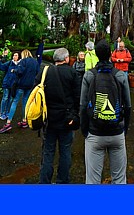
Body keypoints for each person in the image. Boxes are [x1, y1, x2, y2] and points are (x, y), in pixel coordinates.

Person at [81, 40, 131, 184]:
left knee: (92, 180)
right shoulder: (120, 75)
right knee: (120, 179)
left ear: (95, 54)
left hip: (95, 133)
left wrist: (85, 131)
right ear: (110, 54)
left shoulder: (89, 75)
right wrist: (124, 129)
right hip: (117, 133)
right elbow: (127, 106)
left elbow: (83, 106)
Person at [38, 48, 81, 184]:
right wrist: (75, 115)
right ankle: (62, 181)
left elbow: (37, 94)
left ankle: (44, 181)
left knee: (48, 152)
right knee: (65, 151)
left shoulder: (45, 72)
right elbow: (78, 97)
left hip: (48, 119)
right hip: (66, 119)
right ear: (66, 59)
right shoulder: (72, 73)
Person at [0, 49, 39, 133]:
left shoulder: (23, 61)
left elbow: (20, 72)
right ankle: (24, 120)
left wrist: (14, 70)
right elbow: (37, 72)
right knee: (25, 102)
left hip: (21, 85)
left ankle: (8, 122)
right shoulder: (35, 62)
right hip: (30, 85)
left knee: (15, 102)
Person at [0, 51, 20, 121]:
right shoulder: (10, 63)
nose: (14, 57)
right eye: (13, 55)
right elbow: (1, 67)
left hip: (14, 85)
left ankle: (7, 112)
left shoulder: (20, 65)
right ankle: (2, 113)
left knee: (10, 99)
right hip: (7, 83)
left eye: (16, 55)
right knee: (5, 98)